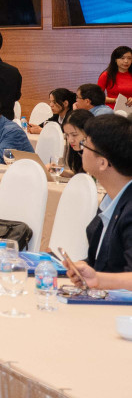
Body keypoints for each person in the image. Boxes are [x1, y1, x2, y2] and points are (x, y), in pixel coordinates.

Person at [65, 113, 132, 291]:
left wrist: (98, 279)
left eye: (85, 145)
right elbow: (105, 261)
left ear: (103, 163)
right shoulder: (112, 198)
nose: (81, 149)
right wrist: (85, 267)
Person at [62, 109, 93, 175]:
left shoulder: (100, 155)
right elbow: (80, 173)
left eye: (74, 135)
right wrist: (61, 171)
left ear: (88, 132)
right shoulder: (79, 152)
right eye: (67, 135)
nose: (70, 140)